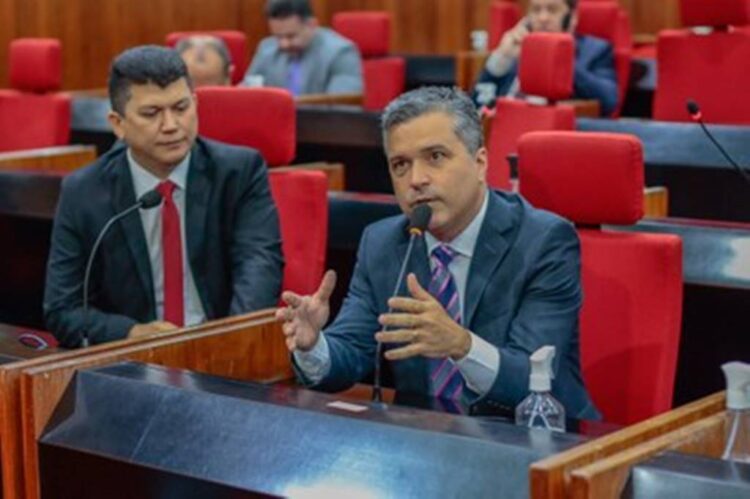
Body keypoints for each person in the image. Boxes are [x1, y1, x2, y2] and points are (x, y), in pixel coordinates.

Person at [277, 86, 599, 419]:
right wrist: (314, 345)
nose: (416, 180)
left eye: (435, 157)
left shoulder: (543, 240)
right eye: (401, 165)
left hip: (539, 440)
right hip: (430, 440)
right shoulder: (383, 242)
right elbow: (353, 353)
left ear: (480, 163)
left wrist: (461, 345)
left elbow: (534, 381)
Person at [44, 46, 283, 348]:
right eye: (152, 113)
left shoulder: (239, 173)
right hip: (135, 364)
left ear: (195, 104)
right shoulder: (85, 191)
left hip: (225, 353)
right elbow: (62, 309)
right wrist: (131, 334)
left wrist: (225, 345)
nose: (171, 125)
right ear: (118, 124)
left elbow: (259, 270)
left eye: (181, 108)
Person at [473, 0, 618, 116]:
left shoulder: (595, 50)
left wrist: (559, 59)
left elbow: (609, 101)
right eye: (536, 10)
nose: (543, 18)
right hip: (504, 127)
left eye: (553, 10)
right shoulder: (517, 49)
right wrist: (501, 58)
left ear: (572, 17)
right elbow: (477, 106)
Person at [241, 0, 363, 95]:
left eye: (291, 36)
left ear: (311, 25)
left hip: (318, 125)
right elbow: (246, 93)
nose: (284, 44)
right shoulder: (267, 48)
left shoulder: (341, 53)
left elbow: (340, 108)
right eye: (278, 37)